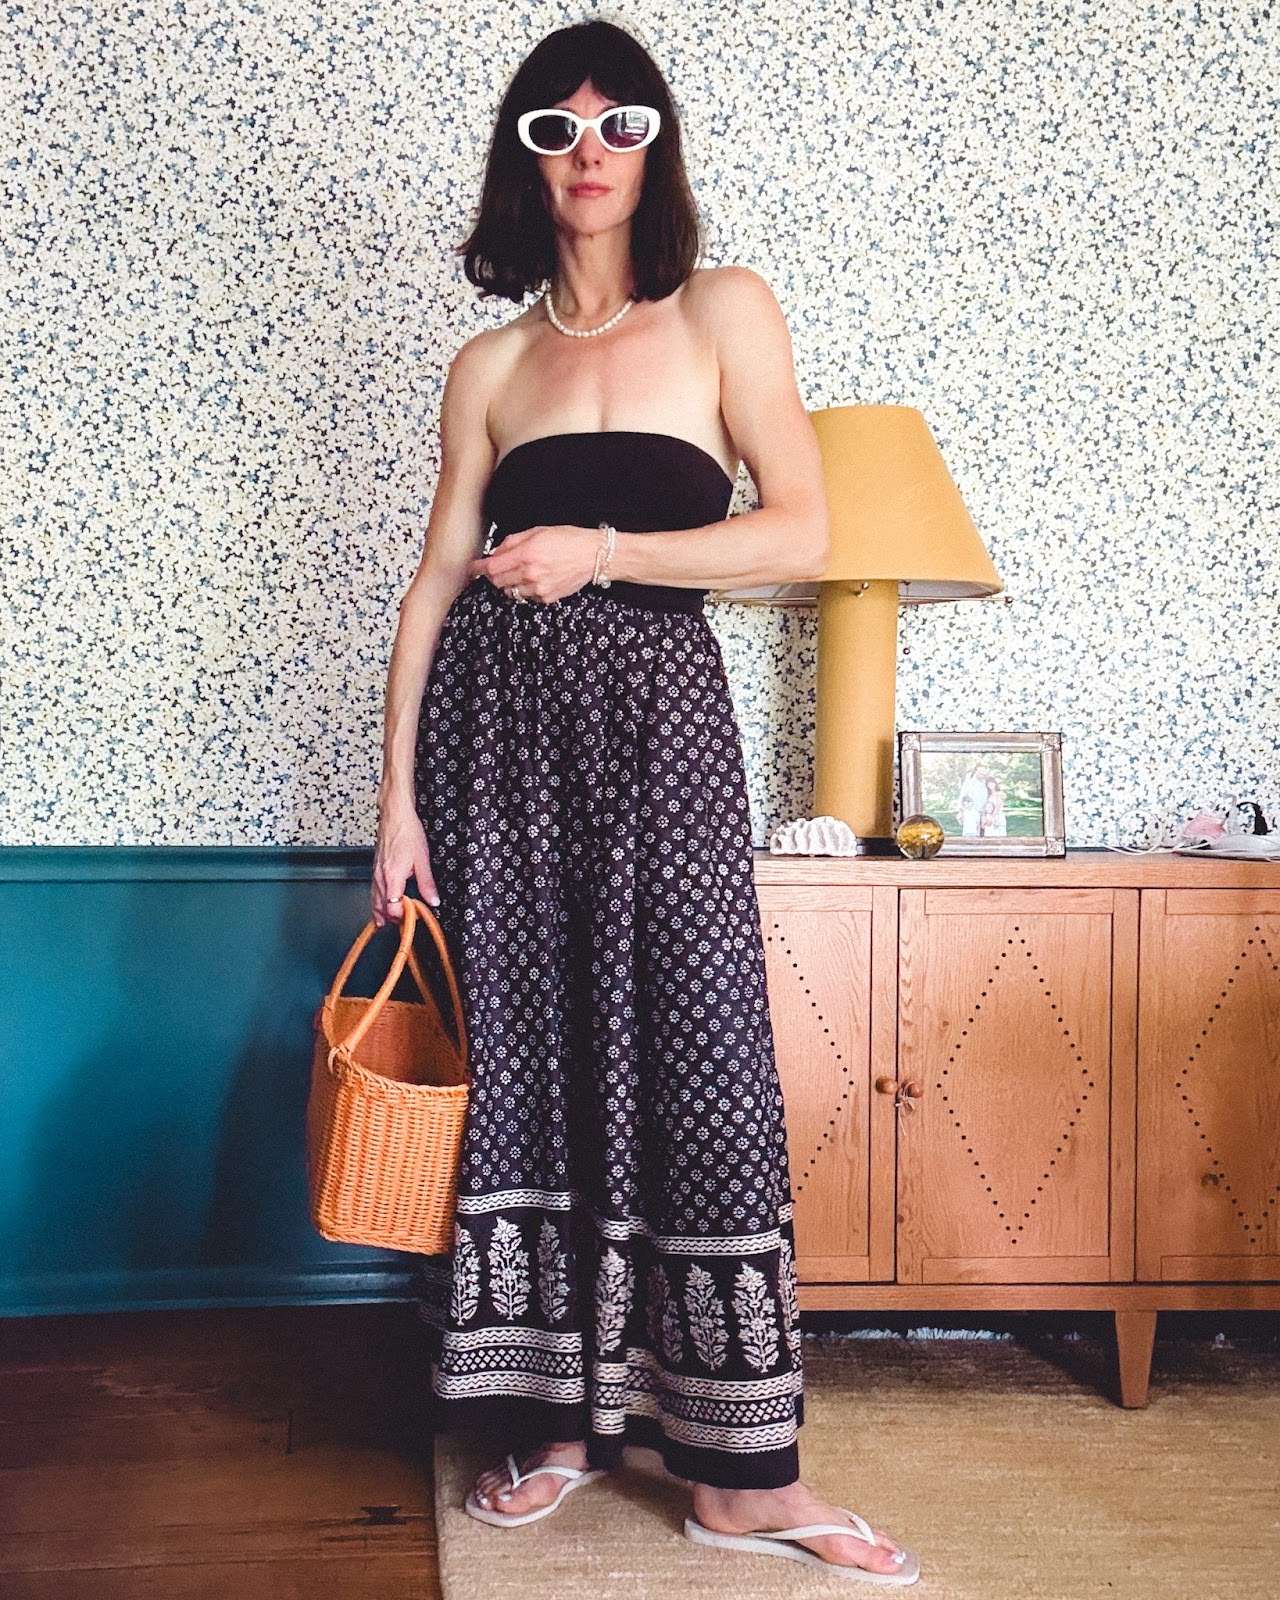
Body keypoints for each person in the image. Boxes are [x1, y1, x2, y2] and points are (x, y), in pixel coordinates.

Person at [370, 19, 918, 1584]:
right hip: (499, 745)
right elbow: (428, 587)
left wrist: (599, 552)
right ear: (526, 160)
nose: (590, 150)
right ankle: (555, 1424)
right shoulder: (492, 363)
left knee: (700, 1059)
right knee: (530, 1056)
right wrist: (398, 802)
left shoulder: (727, 312)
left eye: (619, 125)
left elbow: (796, 533)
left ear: (657, 148)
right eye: (556, 127)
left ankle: (741, 1476)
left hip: (663, 732)